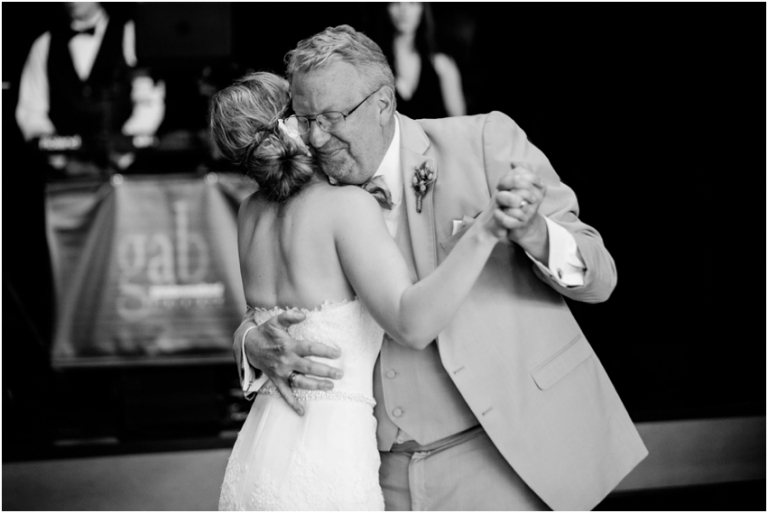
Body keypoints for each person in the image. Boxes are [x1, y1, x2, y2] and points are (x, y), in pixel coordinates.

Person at [233, 25, 648, 511]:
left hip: (500, 456)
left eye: (331, 117)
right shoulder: (301, 194)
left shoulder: (483, 142)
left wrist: (535, 233)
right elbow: (271, 304)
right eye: (304, 120)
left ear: (383, 104)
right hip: (369, 470)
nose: (317, 138)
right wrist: (250, 343)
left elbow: (599, 275)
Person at [211, 71, 511, 510]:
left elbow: (258, 323)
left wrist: (249, 341)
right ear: (296, 121)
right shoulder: (346, 207)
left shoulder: (248, 215)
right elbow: (411, 321)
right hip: (331, 453)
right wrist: (484, 231)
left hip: (261, 447)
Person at [15, 2, 164, 171]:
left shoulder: (131, 34)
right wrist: (62, 161)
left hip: (128, 170)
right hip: (65, 177)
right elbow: (31, 111)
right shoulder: (44, 44)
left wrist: (121, 155)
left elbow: (149, 102)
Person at [371, 2, 466, 118]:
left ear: (422, 8)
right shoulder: (373, 63)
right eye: (395, 2)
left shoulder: (442, 63)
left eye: (412, 3)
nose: (403, 9)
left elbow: (458, 121)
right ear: (386, 8)